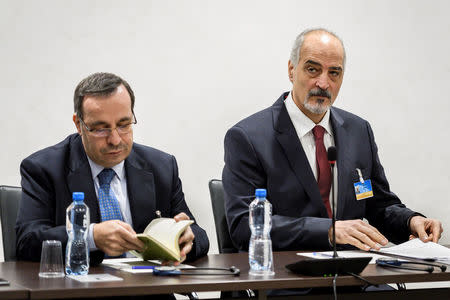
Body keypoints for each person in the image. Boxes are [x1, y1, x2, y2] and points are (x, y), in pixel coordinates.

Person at [222, 28, 443, 253]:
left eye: (334, 73)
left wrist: (411, 221)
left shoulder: (358, 131)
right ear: (291, 70)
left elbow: (377, 204)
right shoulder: (248, 138)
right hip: (286, 278)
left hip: (353, 275)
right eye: (312, 69)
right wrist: (328, 231)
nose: (323, 83)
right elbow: (244, 226)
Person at [16, 72, 209, 267]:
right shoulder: (44, 169)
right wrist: (90, 237)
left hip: (148, 291)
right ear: (79, 125)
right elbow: (27, 242)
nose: (115, 140)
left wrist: (186, 240)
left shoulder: (161, 167)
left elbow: (199, 236)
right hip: (79, 291)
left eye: (124, 125)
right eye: (101, 129)